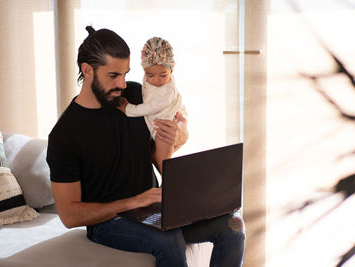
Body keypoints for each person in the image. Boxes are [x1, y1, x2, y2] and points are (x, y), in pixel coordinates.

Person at [46, 26, 245, 267]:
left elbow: (158, 158)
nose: (122, 83)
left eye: (125, 73)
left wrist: (173, 137)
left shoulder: (136, 95)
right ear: (87, 70)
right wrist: (132, 201)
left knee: (233, 225)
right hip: (110, 222)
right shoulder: (64, 135)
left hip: (155, 208)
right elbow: (69, 215)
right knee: (169, 239)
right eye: (113, 76)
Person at [118, 37, 185, 173]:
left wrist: (129, 108)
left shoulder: (167, 92)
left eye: (163, 75)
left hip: (164, 127)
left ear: (171, 71)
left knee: (164, 163)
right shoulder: (144, 82)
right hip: (154, 126)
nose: (156, 81)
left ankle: (169, 184)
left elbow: (150, 107)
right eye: (150, 75)